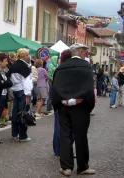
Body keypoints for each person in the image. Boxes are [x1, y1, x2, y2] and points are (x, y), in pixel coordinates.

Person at [52, 43, 95, 176]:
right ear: (80, 52)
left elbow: (55, 87)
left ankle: (66, 167)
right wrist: (86, 103)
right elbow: (89, 89)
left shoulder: (60, 67)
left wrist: (63, 101)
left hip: (64, 106)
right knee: (81, 136)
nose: (86, 54)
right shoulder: (86, 67)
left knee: (65, 136)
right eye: (85, 52)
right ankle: (82, 167)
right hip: (81, 106)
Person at [9, 48, 33, 142]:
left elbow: (11, 79)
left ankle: (15, 133)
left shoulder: (14, 65)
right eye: (27, 55)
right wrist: (27, 95)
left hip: (15, 90)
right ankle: (23, 135)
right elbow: (26, 82)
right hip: (23, 91)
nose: (28, 56)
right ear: (24, 56)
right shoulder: (24, 66)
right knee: (23, 113)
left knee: (15, 113)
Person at [52, 49, 72, 157]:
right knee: (69, 128)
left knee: (58, 127)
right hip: (69, 101)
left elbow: (54, 87)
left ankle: (57, 150)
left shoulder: (58, 69)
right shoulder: (73, 69)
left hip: (59, 101)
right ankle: (64, 150)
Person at [7, 52, 17, 121]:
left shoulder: (13, 65)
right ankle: (8, 115)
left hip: (12, 84)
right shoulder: (9, 65)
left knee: (11, 100)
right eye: (15, 57)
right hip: (10, 84)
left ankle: (10, 115)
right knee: (10, 100)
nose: (16, 58)